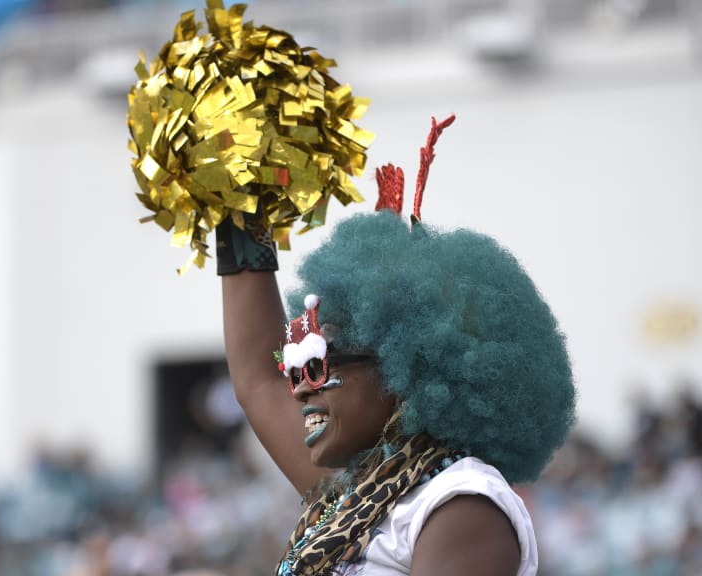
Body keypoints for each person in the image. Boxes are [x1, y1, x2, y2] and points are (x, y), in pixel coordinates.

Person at [128, 3, 576, 574]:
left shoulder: (461, 501)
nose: (298, 389)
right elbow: (258, 378)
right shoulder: (360, 495)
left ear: (404, 372)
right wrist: (238, 200)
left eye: (316, 365)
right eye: (297, 367)